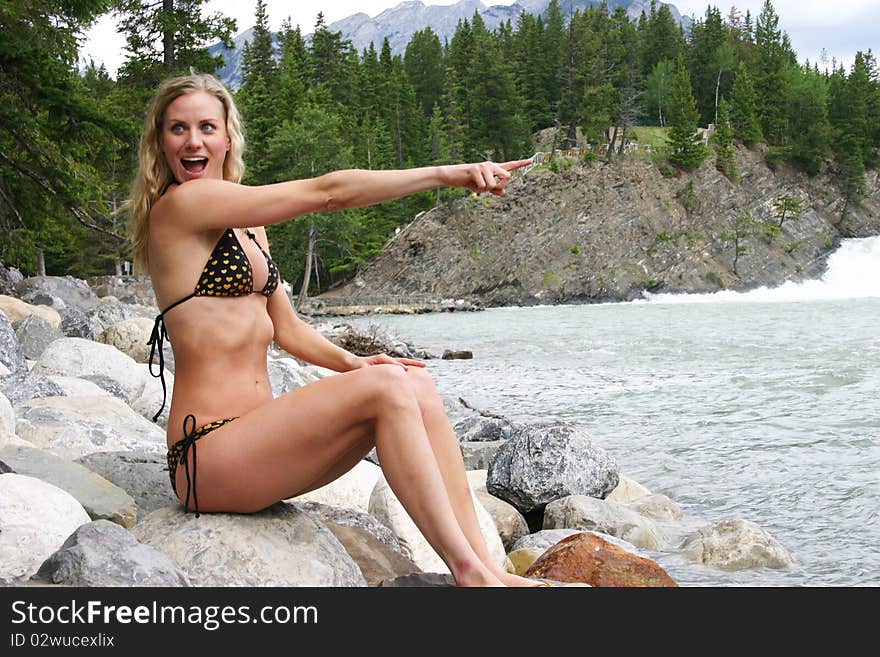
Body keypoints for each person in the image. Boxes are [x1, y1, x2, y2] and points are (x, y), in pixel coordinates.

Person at [129, 72, 536, 587]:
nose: (193, 141)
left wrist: (357, 364)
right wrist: (447, 174)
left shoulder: (248, 225)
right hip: (207, 457)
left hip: (261, 443)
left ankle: (487, 567)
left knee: (415, 384)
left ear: (227, 137)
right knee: (389, 389)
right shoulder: (181, 206)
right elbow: (328, 193)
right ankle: (467, 574)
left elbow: (288, 328)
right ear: (160, 143)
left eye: (207, 126)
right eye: (178, 129)